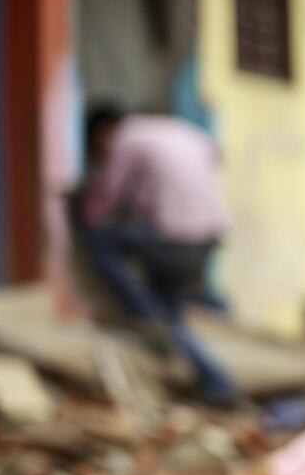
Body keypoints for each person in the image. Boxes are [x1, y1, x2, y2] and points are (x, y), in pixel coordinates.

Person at [78, 101, 239, 405]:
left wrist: (86, 211)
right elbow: (216, 158)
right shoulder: (182, 131)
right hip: (208, 237)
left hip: (173, 238)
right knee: (173, 306)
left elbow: (105, 200)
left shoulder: (126, 139)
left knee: (99, 239)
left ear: (103, 133)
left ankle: (149, 318)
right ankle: (185, 344)